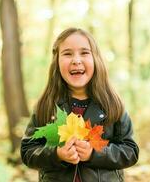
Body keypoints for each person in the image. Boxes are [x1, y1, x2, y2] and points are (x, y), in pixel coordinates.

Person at [20, 27, 139, 182]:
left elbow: (130, 151)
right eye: (68, 54)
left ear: (96, 59)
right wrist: (56, 154)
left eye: (84, 53)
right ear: (57, 62)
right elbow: (28, 151)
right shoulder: (47, 105)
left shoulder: (112, 104)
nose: (76, 60)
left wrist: (94, 153)